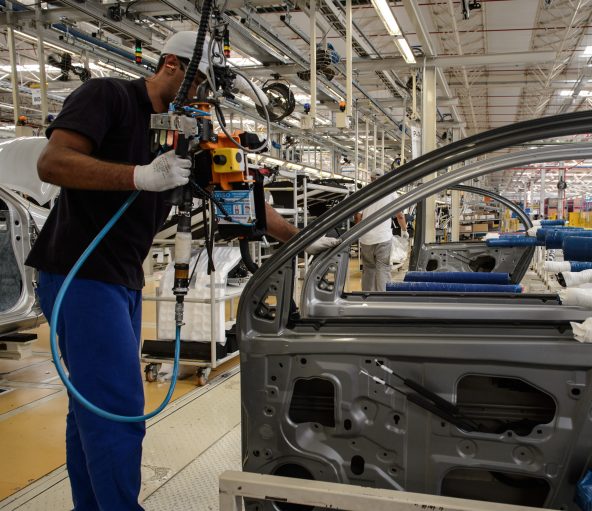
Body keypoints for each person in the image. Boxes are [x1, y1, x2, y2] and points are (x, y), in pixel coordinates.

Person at [25, 31, 337, 511]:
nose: (204, 99)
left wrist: (303, 239)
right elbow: (53, 163)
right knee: (117, 409)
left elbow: (239, 196)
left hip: (122, 278)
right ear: (172, 64)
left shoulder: (193, 132)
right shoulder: (107, 96)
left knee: (91, 407)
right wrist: (138, 176)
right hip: (78, 273)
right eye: (201, 85)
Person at [354, 168, 408, 291]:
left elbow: (358, 215)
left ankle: (367, 297)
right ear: (384, 178)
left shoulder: (364, 192)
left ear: (371, 178)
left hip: (366, 238)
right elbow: (399, 215)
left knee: (368, 268)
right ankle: (382, 297)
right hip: (383, 238)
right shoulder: (391, 192)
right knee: (383, 268)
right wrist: (404, 230)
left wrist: (358, 232)